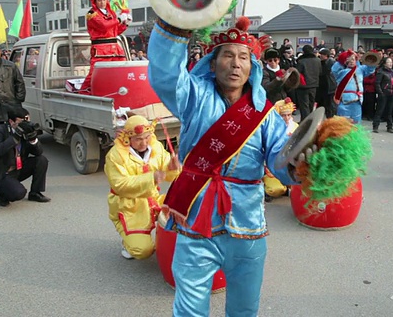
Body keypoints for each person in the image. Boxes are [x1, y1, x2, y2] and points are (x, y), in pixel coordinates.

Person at [147, 16, 310, 316]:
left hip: (246, 224)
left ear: (252, 68)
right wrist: (176, 22)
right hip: (196, 220)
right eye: (228, 55)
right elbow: (166, 75)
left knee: (245, 309)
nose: (236, 64)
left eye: (244, 57)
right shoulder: (193, 97)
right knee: (189, 309)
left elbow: (279, 157)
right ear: (212, 63)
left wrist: (301, 165)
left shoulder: (264, 113)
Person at [105, 115, 180, 260]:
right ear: (128, 138)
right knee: (142, 251)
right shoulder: (115, 155)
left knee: (184, 205)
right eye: (138, 139)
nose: (144, 143)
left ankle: (163, 237)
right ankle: (127, 241)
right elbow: (120, 185)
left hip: (153, 198)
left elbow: (167, 174)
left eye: (147, 137)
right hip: (129, 207)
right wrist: (151, 178)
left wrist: (172, 168)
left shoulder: (156, 146)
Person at [0, 106, 50, 207]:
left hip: (18, 168)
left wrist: (33, 140)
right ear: (11, 121)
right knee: (19, 193)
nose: (24, 125)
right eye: (21, 122)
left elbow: (38, 152)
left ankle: (35, 193)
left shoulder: (25, 132)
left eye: (26, 121)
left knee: (41, 160)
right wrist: (16, 135)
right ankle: (3, 193)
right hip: (2, 173)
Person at [79, 0, 130, 93]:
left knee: (120, 71)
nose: (102, 2)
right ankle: (83, 93)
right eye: (99, 0)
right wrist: (119, 19)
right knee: (94, 73)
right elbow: (104, 26)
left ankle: (117, 91)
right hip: (101, 49)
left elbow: (115, 31)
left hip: (115, 48)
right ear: (95, 2)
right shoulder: (92, 13)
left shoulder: (111, 13)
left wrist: (125, 23)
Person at [263, 98, 298, 201]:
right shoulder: (271, 129)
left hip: (291, 164)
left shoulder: (296, 127)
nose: (286, 118)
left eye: (289, 115)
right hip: (274, 165)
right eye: (283, 115)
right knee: (275, 189)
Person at [331, 50, 376, 124]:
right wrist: (344, 57)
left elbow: (370, 69)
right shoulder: (341, 72)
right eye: (349, 59)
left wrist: (372, 58)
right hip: (344, 100)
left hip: (357, 100)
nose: (351, 61)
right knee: (343, 123)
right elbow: (334, 69)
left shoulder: (360, 69)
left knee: (356, 123)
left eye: (353, 59)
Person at [295, 45, 321, 120]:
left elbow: (297, 73)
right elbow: (320, 72)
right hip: (314, 85)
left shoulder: (301, 61)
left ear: (303, 52)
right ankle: (310, 120)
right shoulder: (317, 60)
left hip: (303, 86)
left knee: (304, 106)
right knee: (311, 104)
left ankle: (305, 122)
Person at [372, 57, 393, 133]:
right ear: (384, 63)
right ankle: (375, 126)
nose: (390, 63)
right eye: (388, 62)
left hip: (391, 93)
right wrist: (380, 92)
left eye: (391, 62)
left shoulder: (392, 72)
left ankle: (390, 126)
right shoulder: (381, 72)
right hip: (383, 93)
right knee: (380, 110)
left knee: (389, 111)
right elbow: (377, 83)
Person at [316, 48, 337, 118]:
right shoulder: (320, 62)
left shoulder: (331, 63)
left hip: (329, 87)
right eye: (320, 54)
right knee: (321, 106)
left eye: (322, 54)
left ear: (326, 55)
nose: (321, 56)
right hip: (322, 88)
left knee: (329, 106)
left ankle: (330, 119)